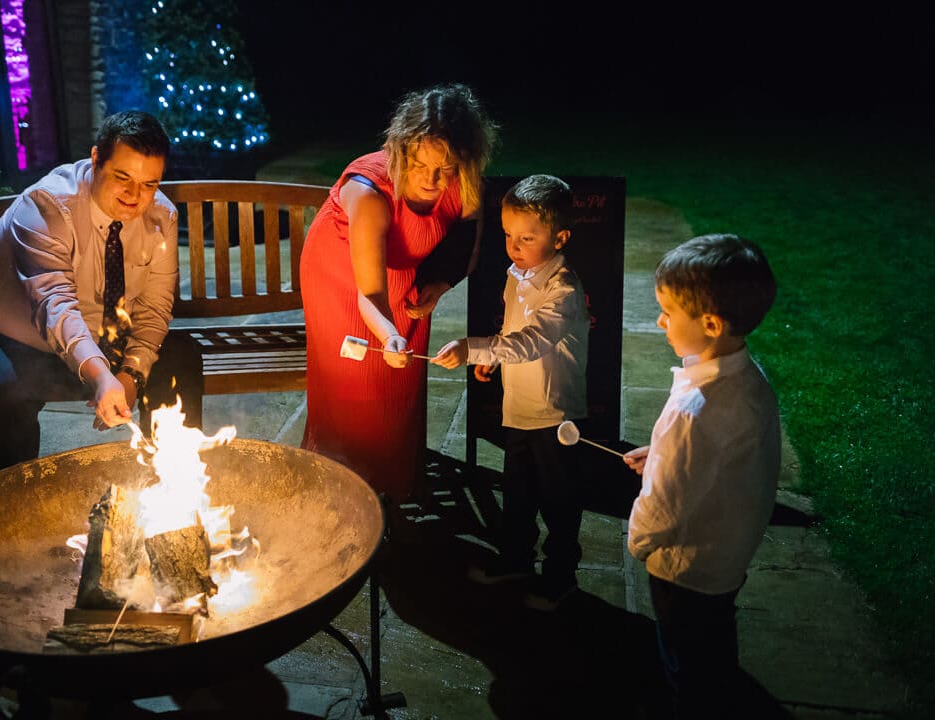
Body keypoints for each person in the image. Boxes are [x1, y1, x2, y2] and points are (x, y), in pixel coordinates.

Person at [0, 110, 200, 482]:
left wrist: (129, 376)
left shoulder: (162, 216)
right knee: (5, 394)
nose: (135, 196)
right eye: (122, 177)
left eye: (149, 184)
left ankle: (174, 486)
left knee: (182, 356)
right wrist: (101, 376)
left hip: (88, 334)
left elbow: (154, 310)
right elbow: (55, 306)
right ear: (96, 159)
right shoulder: (47, 206)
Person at [299, 83, 498, 508]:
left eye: (445, 168)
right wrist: (388, 333)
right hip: (343, 273)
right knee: (358, 381)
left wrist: (439, 284)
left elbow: (467, 238)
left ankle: (391, 489)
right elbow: (369, 295)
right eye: (420, 165)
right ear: (401, 151)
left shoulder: (461, 179)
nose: (432, 180)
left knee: (399, 383)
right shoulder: (369, 194)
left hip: (405, 265)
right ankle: (341, 490)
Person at [622, 233, 779, 719]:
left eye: (668, 312)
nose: (660, 321)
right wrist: (666, 451)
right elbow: (715, 459)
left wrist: (637, 542)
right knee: (713, 642)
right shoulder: (749, 380)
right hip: (726, 559)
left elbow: (664, 505)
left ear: (710, 324)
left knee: (684, 663)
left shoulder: (692, 410)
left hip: (684, 568)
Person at [432, 174, 590, 611]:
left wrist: (474, 348)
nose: (514, 246)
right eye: (507, 235)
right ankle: (516, 558)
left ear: (560, 237)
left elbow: (534, 340)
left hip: (555, 413)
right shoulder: (516, 275)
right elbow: (512, 331)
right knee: (517, 492)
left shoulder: (564, 290)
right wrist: (492, 357)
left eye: (527, 237)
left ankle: (561, 575)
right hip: (519, 406)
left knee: (558, 499)